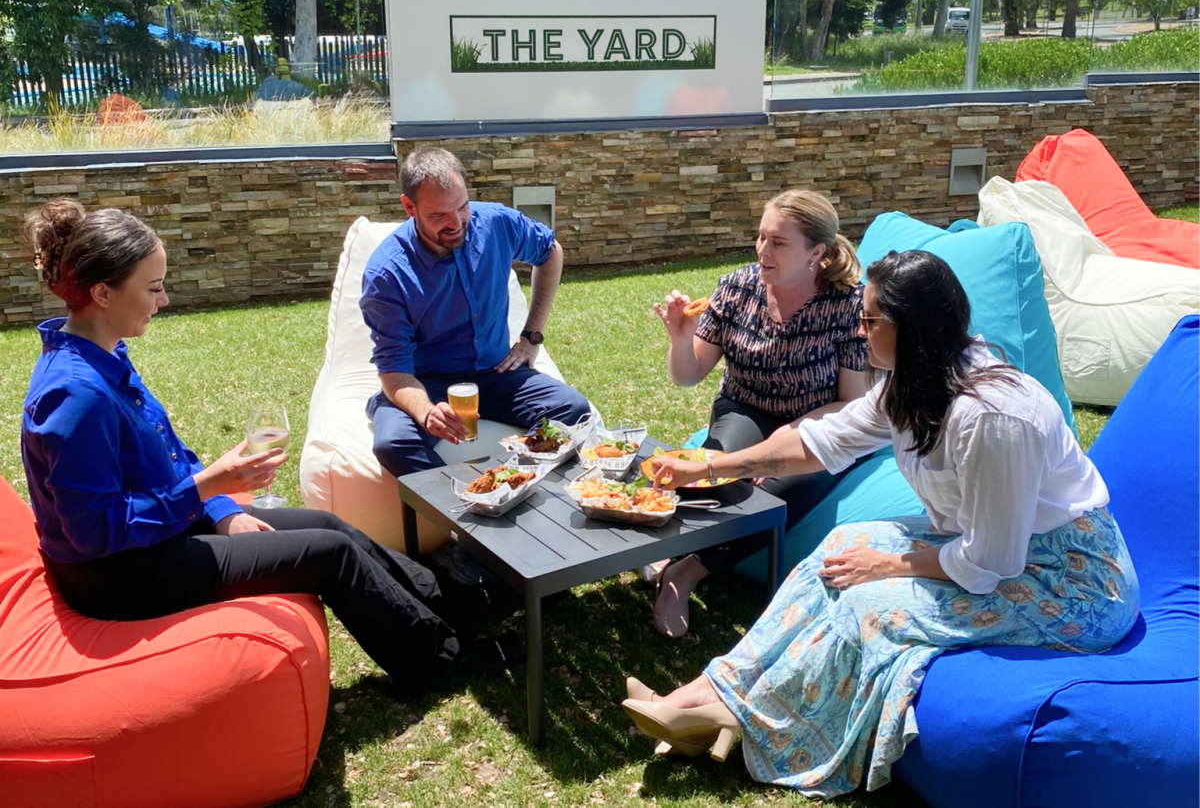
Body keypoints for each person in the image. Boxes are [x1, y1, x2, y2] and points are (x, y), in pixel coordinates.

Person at [623, 250, 1139, 797]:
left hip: (1071, 580)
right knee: (839, 547)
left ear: (912, 328)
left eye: (871, 321)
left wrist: (889, 565)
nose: (859, 330)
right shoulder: (912, 385)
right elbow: (817, 443)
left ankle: (740, 720)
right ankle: (700, 694)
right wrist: (706, 466)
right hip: (989, 543)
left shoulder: (994, 418)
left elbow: (992, 563)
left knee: (871, 605)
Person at [20, 200, 516, 695]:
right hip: (122, 574)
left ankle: (448, 605)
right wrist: (208, 488)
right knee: (329, 553)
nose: (163, 300)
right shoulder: (75, 393)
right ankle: (438, 661)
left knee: (328, 524)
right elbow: (92, 532)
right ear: (103, 293)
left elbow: (169, 453)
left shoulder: (105, 356)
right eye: (153, 288)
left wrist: (218, 508)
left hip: (162, 533)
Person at [647, 190, 869, 637]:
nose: (762, 251)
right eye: (761, 237)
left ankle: (686, 572)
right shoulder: (736, 286)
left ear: (817, 252)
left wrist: (781, 444)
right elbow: (688, 376)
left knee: (781, 490)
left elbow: (851, 402)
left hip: (817, 421)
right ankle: (663, 542)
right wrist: (679, 337)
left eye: (779, 242)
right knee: (719, 470)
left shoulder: (847, 303)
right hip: (745, 405)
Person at [361, 147, 591, 479]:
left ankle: (518, 486)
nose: (456, 223)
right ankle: (463, 508)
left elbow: (550, 251)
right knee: (393, 442)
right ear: (409, 207)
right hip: (427, 384)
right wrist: (427, 413)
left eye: (462, 207)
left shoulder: (497, 222)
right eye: (438, 215)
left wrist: (531, 337)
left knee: (573, 410)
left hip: (496, 373)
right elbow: (393, 371)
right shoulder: (386, 274)